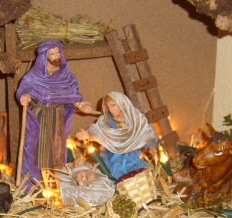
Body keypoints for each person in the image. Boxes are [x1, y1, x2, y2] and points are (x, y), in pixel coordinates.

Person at [16, 40, 92, 187]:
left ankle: (56, 183)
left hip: (57, 119)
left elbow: (72, 96)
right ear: (44, 56)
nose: (57, 56)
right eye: (52, 54)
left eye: (58, 53)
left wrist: (80, 104)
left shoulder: (67, 77)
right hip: (39, 119)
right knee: (36, 150)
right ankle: (35, 183)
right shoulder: (34, 76)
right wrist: (25, 96)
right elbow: (25, 90)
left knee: (56, 151)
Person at [76, 91, 158, 181]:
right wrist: (88, 134)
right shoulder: (106, 121)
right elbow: (96, 129)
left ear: (121, 104)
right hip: (114, 156)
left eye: (113, 105)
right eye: (108, 107)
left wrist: (151, 147)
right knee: (117, 176)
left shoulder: (135, 118)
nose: (111, 110)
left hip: (133, 155)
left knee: (141, 175)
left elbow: (144, 132)